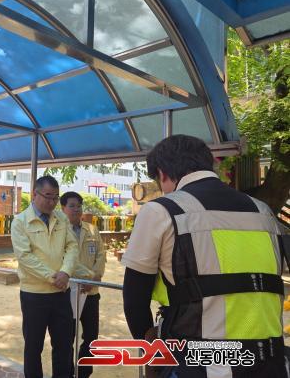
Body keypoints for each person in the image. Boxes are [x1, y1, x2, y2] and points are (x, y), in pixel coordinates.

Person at [122, 135, 286, 377]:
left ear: (162, 173)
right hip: (270, 363)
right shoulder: (263, 212)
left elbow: (134, 298)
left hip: (200, 365)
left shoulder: (162, 210)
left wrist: (152, 351)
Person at [12, 175, 86, 378]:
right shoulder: (20, 222)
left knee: (64, 345)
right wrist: (54, 277)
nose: (52, 202)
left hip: (61, 293)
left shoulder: (61, 218)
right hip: (34, 295)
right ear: (34, 194)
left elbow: (72, 246)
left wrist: (66, 272)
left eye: (55, 197)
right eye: (48, 196)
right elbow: (25, 257)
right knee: (33, 346)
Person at [60, 191, 106, 378]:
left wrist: (95, 277)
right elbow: (62, 260)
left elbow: (101, 255)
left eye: (79, 206)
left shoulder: (92, 229)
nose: (76, 209)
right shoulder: (59, 231)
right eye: (72, 206)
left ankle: (83, 373)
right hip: (69, 291)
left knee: (91, 337)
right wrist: (87, 277)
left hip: (91, 292)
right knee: (67, 337)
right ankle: (67, 372)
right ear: (63, 208)